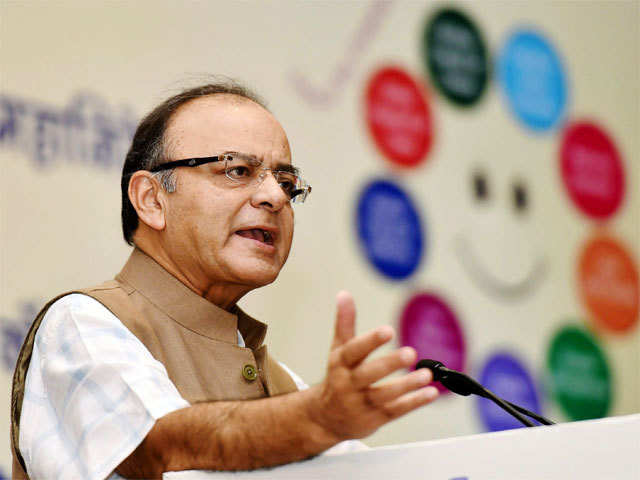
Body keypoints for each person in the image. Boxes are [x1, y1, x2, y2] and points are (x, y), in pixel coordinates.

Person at [10, 81, 439, 480]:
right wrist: (316, 419)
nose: (274, 197)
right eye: (236, 170)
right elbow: (162, 448)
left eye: (286, 181)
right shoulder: (83, 323)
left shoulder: (282, 381)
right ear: (151, 200)